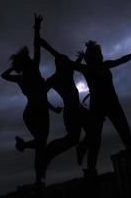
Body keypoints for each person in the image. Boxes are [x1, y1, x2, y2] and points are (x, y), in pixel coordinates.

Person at [1, 15, 59, 187]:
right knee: (41, 144)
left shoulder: (21, 78)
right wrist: (36, 28)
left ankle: (37, 179)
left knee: (40, 146)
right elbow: (36, 47)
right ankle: (26, 148)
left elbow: (3, 76)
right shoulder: (34, 68)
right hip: (39, 111)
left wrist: (14, 67)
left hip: (30, 112)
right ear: (28, 61)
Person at [39, 39, 101, 178]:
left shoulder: (67, 71)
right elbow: (41, 97)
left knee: (91, 130)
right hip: (72, 111)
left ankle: (77, 148)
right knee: (74, 138)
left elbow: (74, 64)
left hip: (76, 109)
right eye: (64, 61)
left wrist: (80, 57)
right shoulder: (55, 78)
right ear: (60, 64)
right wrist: (52, 108)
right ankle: (49, 152)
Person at [71, 41, 131, 165]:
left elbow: (120, 60)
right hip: (98, 105)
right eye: (92, 54)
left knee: (123, 129)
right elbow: (73, 66)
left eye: (95, 53)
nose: (95, 56)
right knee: (96, 135)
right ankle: (84, 153)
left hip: (112, 103)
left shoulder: (104, 65)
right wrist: (80, 59)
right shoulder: (87, 68)